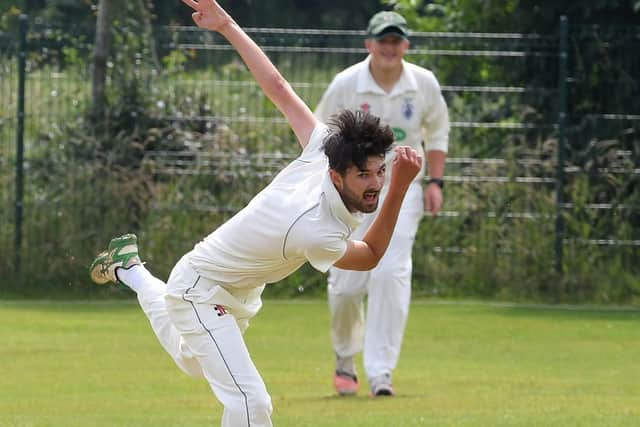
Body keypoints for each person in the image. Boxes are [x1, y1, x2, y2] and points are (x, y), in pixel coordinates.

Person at [89, 1, 422, 426]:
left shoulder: (324, 147)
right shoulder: (316, 229)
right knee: (252, 404)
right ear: (337, 177)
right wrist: (400, 188)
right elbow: (372, 255)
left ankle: (130, 269)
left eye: (381, 171)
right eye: (365, 176)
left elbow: (279, 88)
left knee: (193, 361)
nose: (375, 182)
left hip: (234, 292)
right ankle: (133, 272)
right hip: (201, 289)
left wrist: (226, 24)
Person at [315, 11, 450, 397]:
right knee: (345, 286)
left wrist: (435, 183)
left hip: (402, 191)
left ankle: (380, 372)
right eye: (383, 41)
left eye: (396, 41)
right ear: (369, 44)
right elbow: (317, 134)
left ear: (406, 45)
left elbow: (437, 134)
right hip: (349, 196)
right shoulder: (347, 83)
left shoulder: (422, 83)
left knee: (391, 273)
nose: (390, 48)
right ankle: (345, 357)